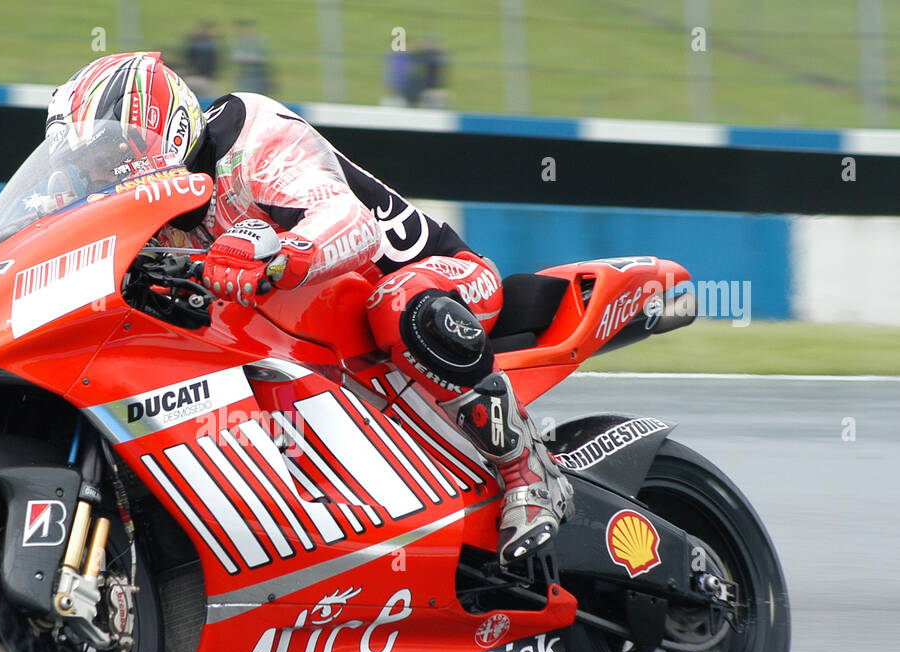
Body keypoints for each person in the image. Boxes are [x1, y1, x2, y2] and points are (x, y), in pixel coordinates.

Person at [45, 53, 571, 564]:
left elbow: (350, 222)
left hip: (440, 282)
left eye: (105, 155)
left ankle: (529, 470)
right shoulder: (149, 204)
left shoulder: (248, 138)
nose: (97, 172)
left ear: (160, 129)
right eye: (86, 161)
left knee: (399, 305)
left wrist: (277, 254)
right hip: (317, 335)